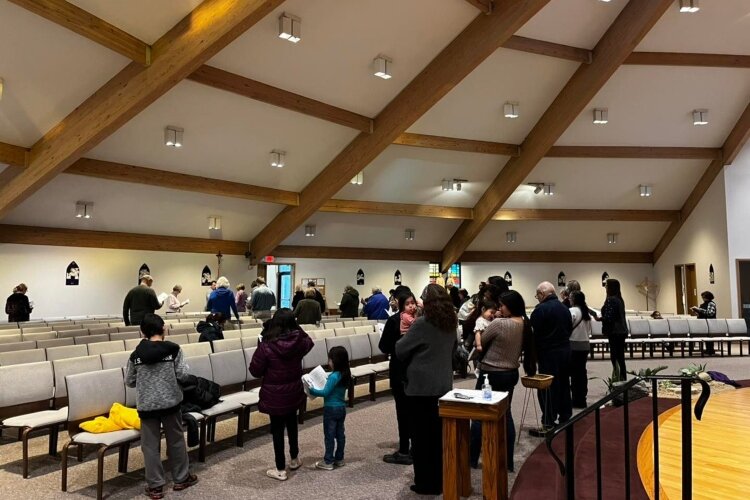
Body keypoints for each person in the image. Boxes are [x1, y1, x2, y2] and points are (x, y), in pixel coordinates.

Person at [125, 314, 198, 499]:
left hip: (147, 406)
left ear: (142, 332)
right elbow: (182, 375)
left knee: (150, 446)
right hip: (170, 403)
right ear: (163, 329)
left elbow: (129, 381)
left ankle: (155, 486)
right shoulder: (174, 350)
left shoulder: (135, 355)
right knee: (176, 441)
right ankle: (181, 479)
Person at [396, 284, 457, 496]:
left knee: (421, 439)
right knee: (438, 436)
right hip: (442, 385)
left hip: (421, 387)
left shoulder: (422, 323)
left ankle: (425, 483)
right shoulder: (451, 322)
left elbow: (400, 350)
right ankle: (440, 478)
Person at [469, 290, 531, 471]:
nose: (499, 309)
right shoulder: (524, 323)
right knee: (506, 415)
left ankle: (472, 458)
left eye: (502, 305)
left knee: (479, 415)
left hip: (491, 373)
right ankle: (507, 461)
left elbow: (480, 343)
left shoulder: (499, 323)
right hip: (511, 372)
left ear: (510, 306)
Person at [249, 309, 314, 481]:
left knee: (277, 429)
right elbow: (309, 341)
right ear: (293, 323)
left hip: (275, 393)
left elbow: (255, 371)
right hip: (293, 390)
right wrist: (296, 328)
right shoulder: (299, 341)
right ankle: (294, 459)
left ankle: (280, 468)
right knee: (292, 423)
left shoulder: (266, 345)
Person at [529, 281, 573, 434]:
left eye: (537, 295)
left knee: (547, 387)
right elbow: (569, 328)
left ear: (542, 294)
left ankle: (548, 422)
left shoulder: (540, 309)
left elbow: (534, 333)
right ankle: (565, 418)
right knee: (564, 384)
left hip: (548, 353)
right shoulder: (565, 308)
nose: (537, 298)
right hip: (565, 351)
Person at [379, 287, 415, 466]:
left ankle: (403, 450)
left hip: (401, 369)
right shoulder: (420, 322)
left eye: (412, 303)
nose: (411, 306)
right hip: (415, 369)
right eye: (408, 303)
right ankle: (414, 447)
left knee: (403, 410)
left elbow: (384, 346)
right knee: (414, 410)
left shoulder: (394, 321)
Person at [308, 346, 351, 470]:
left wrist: (312, 390)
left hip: (330, 409)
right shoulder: (345, 374)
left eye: (330, 360)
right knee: (340, 434)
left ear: (335, 361)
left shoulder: (333, 377)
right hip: (341, 408)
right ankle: (339, 459)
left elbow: (325, 392)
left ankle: (328, 461)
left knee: (329, 435)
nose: (328, 362)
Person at [593, 279, 628, 382]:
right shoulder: (619, 299)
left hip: (614, 332)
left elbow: (609, 317)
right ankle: (622, 380)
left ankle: (618, 380)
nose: (605, 288)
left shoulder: (611, 299)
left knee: (615, 358)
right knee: (620, 358)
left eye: (607, 286)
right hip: (621, 331)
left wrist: (598, 318)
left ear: (610, 287)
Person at [568, 290, 592, 408]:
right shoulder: (586, 312)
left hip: (574, 345)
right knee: (581, 372)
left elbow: (567, 326)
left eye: (571, 297)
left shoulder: (572, 311)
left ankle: (576, 399)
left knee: (574, 374)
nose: (569, 299)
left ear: (574, 299)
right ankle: (582, 398)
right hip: (585, 345)